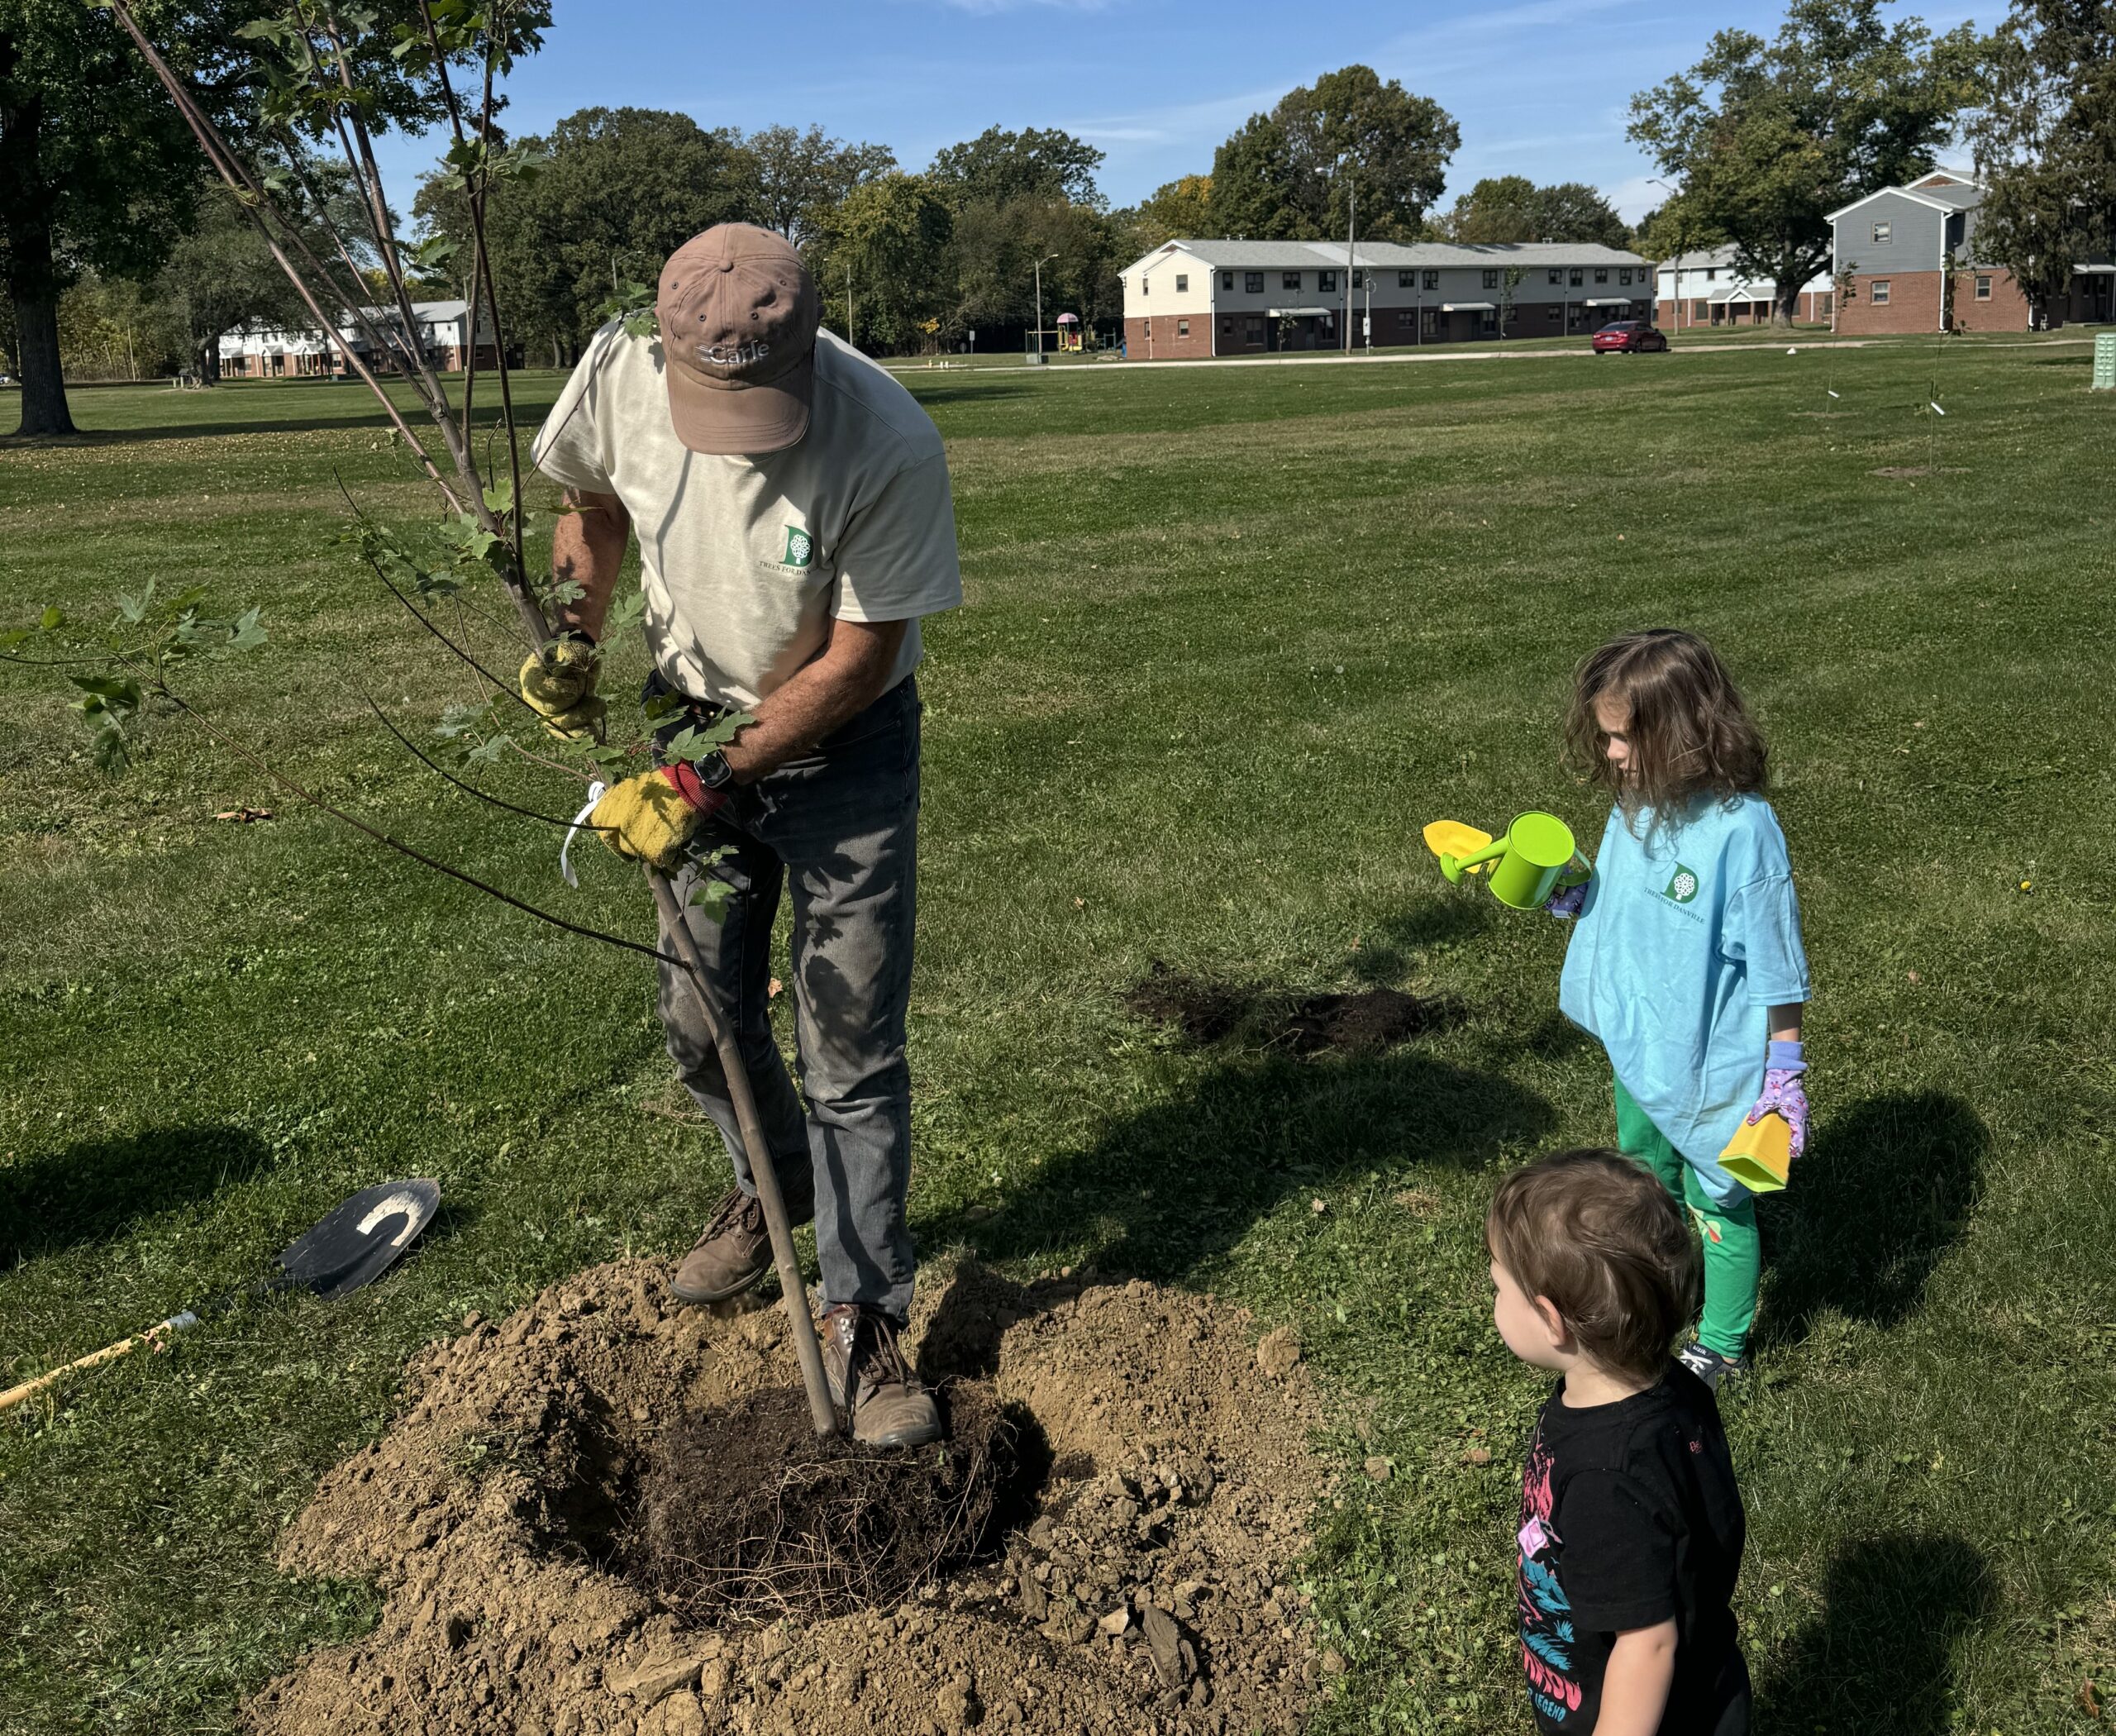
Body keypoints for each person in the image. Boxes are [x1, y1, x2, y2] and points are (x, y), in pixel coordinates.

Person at [518, 223, 963, 1448]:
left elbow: (860, 658)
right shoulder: (616, 369)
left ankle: (864, 1314)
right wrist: (570, 633)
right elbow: (589, 503)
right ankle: (775, 1194)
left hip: (844, 756)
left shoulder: (884, 438)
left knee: (852, 1054)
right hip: (686, 716)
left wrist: (704, 779)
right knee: (697, 1019)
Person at [1547, 629, 1810, 1389]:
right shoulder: (1636, 804)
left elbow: (1777, 966)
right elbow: (1621, 898)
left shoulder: (1743, 832)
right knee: (1644, 1181)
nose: (1611, 756)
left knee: (1718, 1199)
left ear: (1682, 733)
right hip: (1642, 1045)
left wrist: (1784, 1071)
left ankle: (1722, 1342)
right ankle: (1659, 1293)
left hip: (1708, 1058)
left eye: (1623, 739)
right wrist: (1568, 893)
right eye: (1605, 737)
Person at [1489, 1148, 1751, 1736]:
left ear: (1552, 1321)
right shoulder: (1675, 1387)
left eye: (1499, 1288)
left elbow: (1647, 1646)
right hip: (1705, 1674)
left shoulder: (1605, 1481)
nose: (1494, 1302)